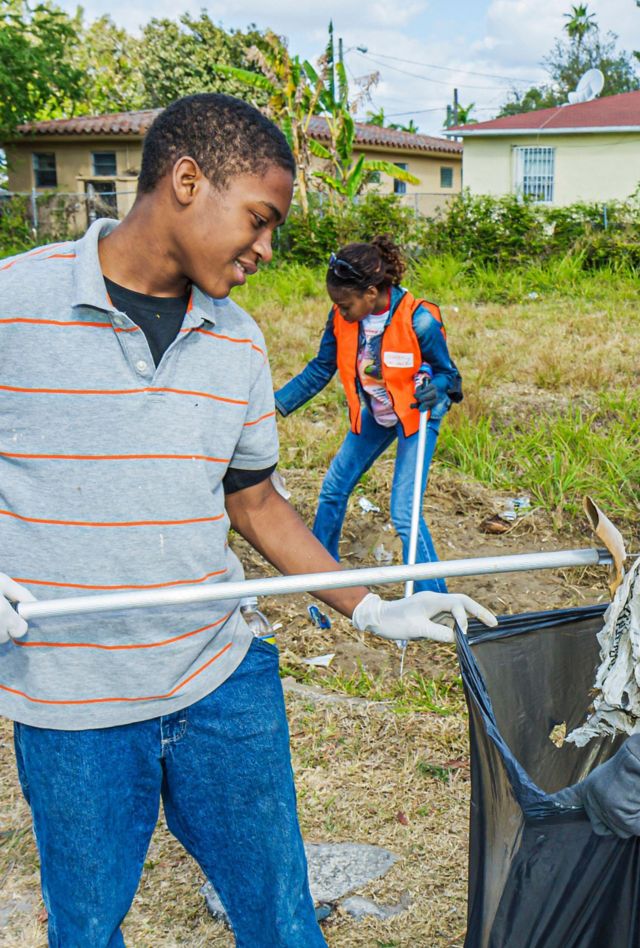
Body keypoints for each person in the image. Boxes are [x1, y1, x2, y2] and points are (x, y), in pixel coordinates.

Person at [0, 93, 496, 947]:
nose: (267, 250)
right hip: (71, 702)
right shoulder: (16, 303)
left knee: (282, 917)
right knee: (84, 929)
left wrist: (369, 607)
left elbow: (255, 501)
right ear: (187, 181)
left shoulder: (238, 342)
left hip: (221, 683)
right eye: (260, 221)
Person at [275, 237, 462, 593]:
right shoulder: (342, 318)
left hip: (415, 415)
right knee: (333, 488)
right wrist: (273, 406)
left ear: (372, 293)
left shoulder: (419, 319)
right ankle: (320, 575)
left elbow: (449, 376)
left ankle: (435, 600)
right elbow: (320, 369)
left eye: (345, 305)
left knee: (405, 513)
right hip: (376, 412)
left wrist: (433, 388)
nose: (340, 313)